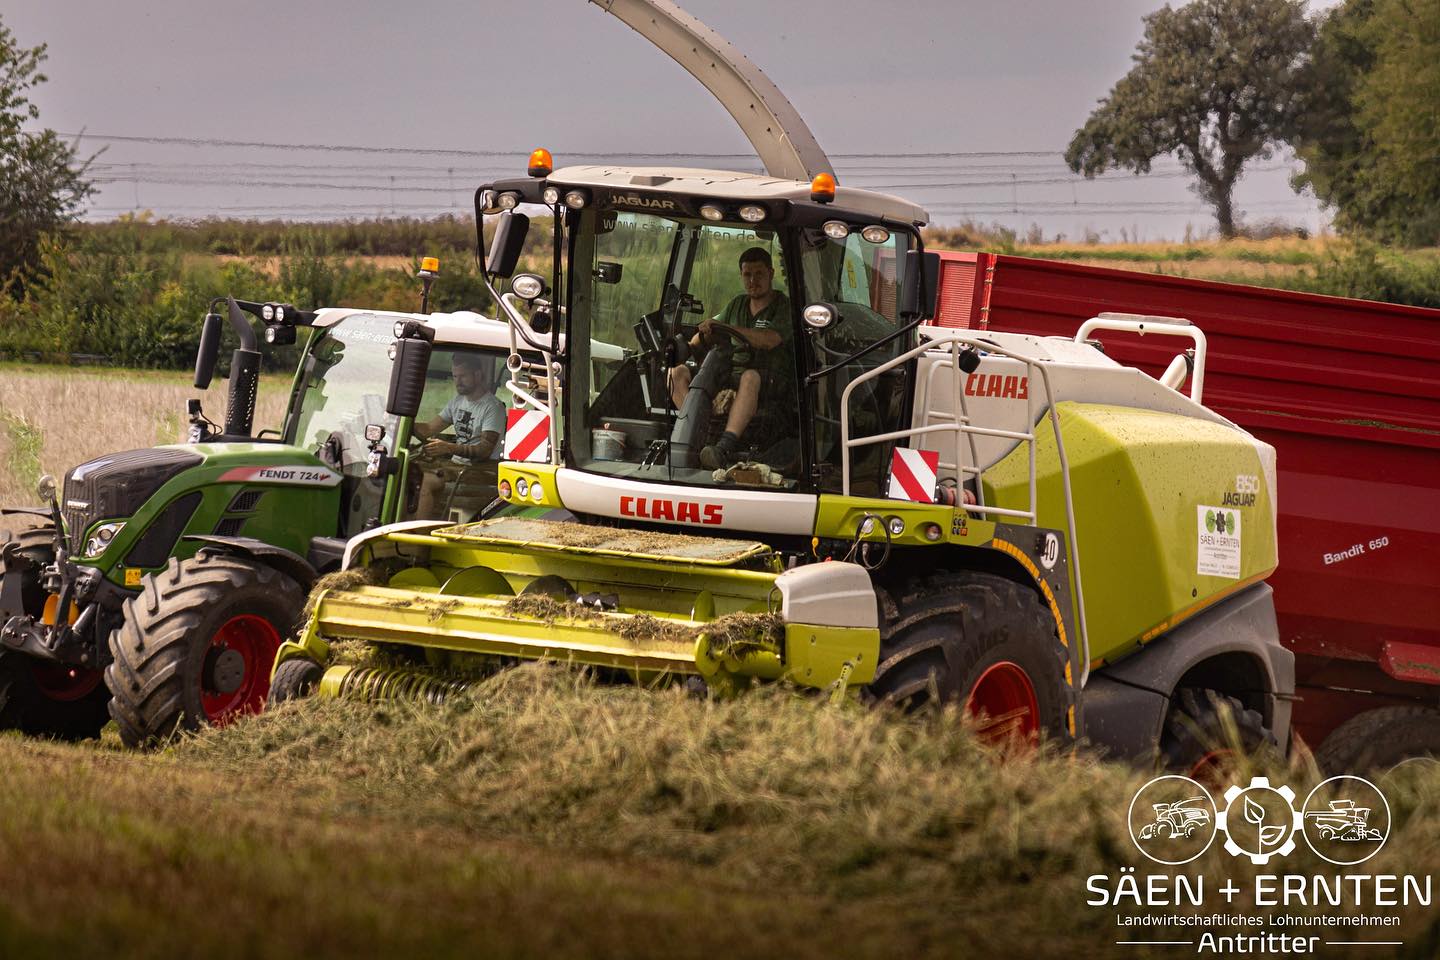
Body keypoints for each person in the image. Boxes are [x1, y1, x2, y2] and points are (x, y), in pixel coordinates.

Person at [668, 246, 791, 468]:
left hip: (771, 379)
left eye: (759, 274)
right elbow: (710, 330)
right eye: (747, 274)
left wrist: (724, 326)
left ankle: (724, 447)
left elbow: (769, 339)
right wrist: (687, 348)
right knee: (676, 373)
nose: (753, 280)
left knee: (750, 377)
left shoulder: (783, 307)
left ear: (771, 274)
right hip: (731, 373)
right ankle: (698, 435)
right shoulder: (737, 304)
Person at [412, 352, 506, 519]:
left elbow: (484, 450)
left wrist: (448, 448)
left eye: (463, 376)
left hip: (478, 471)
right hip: (456, 466)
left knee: (426, 479)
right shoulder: (457, 401)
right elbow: (428, 429)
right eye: (455, 376)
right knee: (409, 469)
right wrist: (403, 423)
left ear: (477, 375)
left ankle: (418, 534)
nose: (458, 381)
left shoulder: (493, 407)